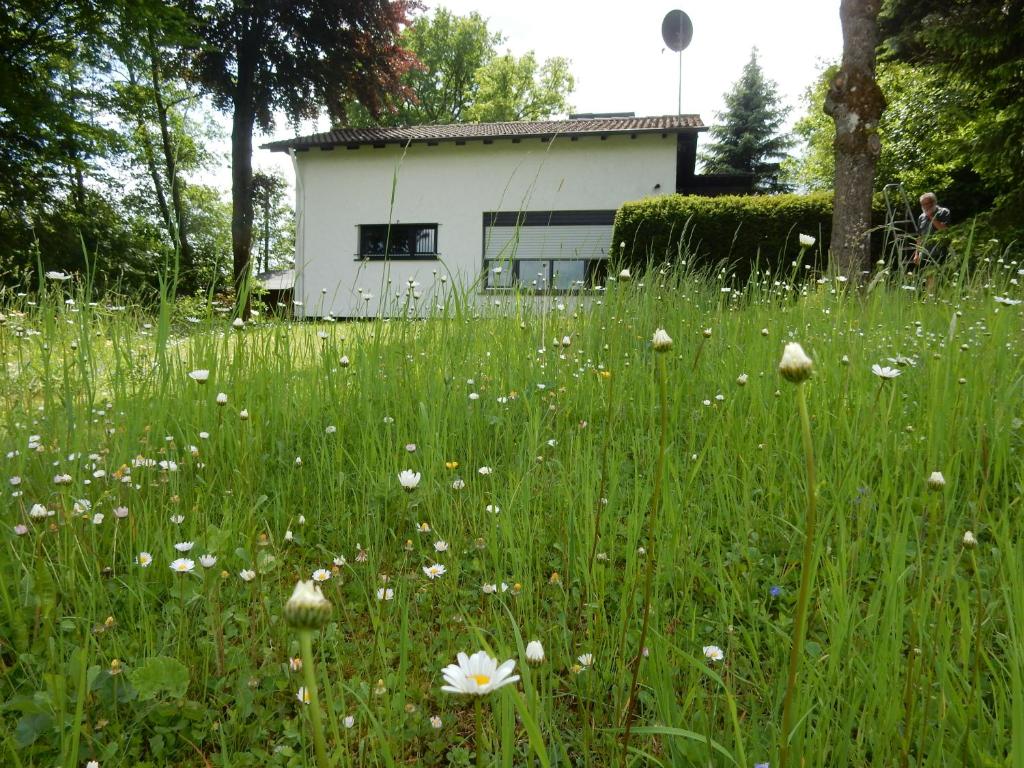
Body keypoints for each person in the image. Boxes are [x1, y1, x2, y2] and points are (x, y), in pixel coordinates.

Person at [913, 192, 951, 266]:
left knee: (939, 276)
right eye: (923, 204)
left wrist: (930, 216)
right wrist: (916, 254)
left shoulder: (943, 212)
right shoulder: (921, 217)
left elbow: (944, 230)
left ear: (934, 202)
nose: (926, 206)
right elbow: (919, 237)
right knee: (927, 276)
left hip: (940, 252)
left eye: (928, 203)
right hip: (925, 253)